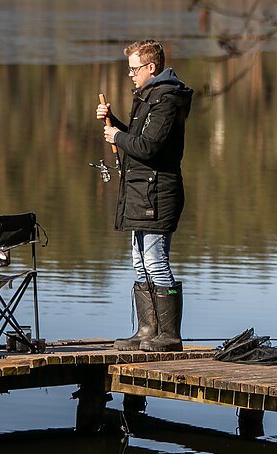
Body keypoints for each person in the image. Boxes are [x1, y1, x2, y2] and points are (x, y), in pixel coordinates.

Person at [96, 40, 194, 352]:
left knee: (155, 260)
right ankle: (147, 331)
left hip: (158, 191)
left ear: (151, 68)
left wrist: (117, 136)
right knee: (140, 262)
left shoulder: (166, 99)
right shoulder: (148, 96)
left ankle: (169, 336)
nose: (131, 75)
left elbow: (149, 148)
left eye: (134, 69)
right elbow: (140, 140)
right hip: (142, 191)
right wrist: (114, 122)